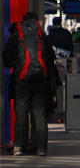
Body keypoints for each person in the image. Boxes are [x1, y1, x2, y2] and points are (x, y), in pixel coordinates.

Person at [2, 12, 59, 156]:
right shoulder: (42, 38)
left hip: (22, 81)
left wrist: (17, 65)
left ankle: (19, 146)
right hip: (41, 81)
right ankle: (41, 148)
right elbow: (51, 58)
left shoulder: (17, 38)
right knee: (39, 114)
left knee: (21, 114)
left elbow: (6, 60)